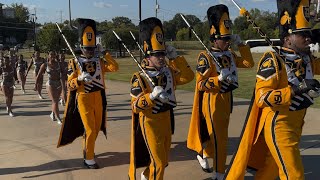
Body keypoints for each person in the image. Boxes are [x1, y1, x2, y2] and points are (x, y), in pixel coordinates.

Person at [225, 0, 320, 179]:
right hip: (279, 125)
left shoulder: (307, 58)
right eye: (303, 34)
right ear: (287, 38)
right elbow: (262, 97)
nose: (308, 38)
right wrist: (295, 90)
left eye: (309, 34)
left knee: (270, 171)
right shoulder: (273, 60)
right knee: (294, 175)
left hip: (297, 124)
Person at [186, 4, 254, 180]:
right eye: (224, 38)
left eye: (229, 38)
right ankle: (219, 173)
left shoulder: (230, 53)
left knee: (217, 136)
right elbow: (201, 85)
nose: (227, 41)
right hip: (212, 101)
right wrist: (218, 79)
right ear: (214, 38)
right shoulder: (205, 56)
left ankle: (203, 152)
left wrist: (241, 45)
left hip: (227, 99)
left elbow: (248, 63)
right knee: (220, 139)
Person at [128, 17, 194, 180]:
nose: (161, 57)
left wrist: (176, 57)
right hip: (150, 122)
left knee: (163, 161)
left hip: (166, 119)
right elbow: (136, 106)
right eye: (157, 54)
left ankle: (146, 175)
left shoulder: (169, 71)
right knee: (158, 164)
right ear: (148, 55)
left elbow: (188, 76)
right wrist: (151, 97)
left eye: (163, 54)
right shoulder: (139, 77)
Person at [57, 18, 119, 169]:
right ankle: (88, 158)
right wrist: (78, 79)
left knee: (96, 128)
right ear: (81, 47)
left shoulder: (99, 61)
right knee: (90, 129)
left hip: (98, 96)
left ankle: (87, 147)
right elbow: (69, 85)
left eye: (92, 49)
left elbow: (114, 67)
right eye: (87, 48)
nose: (89, 51)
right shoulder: (74, 62)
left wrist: (105, 53)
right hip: (83, 97)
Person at [36, 51, 63, 124]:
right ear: (48, 56)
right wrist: (36, 85)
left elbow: (63, 74)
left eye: (54, 55)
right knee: (55, 101)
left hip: (58, 83)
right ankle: (58, 118)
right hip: (50, 83)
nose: (52, 56)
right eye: (51, 55)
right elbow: (38, 76)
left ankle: (52, 114)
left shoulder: (59, 64)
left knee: (55, 101)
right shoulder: (44, 65)